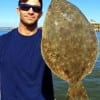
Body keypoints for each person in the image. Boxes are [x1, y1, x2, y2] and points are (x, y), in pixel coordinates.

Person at [0, 0, 54, 100]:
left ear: (41, 14)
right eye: (25, 7)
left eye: (36, 8)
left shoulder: (51, 42)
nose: (30, 11)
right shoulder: (2, 42)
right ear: (18, 10)